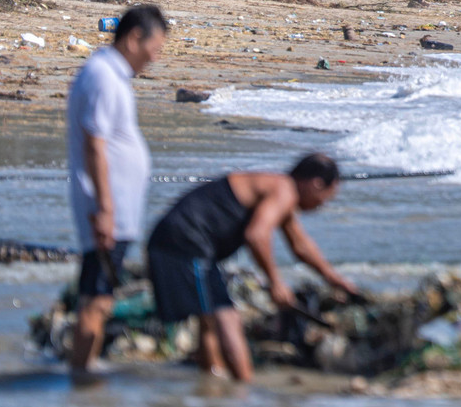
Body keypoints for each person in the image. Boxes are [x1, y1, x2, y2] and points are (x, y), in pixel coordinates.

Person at [146, 153, 360, 381]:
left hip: (193, 244)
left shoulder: (279, 190)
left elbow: (300, 245)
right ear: (316, 184)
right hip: (183, 241)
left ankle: (232, 386)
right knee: (212, 318)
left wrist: (333, 278)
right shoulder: (283, 190)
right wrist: (275, 283)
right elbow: (257, 235)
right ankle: (223, 387)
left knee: (222, 317)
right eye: (326, 198)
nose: (322, 205)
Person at [65, 4, 165, 379]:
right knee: (97, 298)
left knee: (100, 295)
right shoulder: (104, 76)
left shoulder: (110, 74)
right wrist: (105, 209)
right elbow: (95, 143)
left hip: (116, 209)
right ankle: (82, 378)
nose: (154, 58)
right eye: (154, 49)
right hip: (108, 209)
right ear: (134, 37)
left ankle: (85, 373)